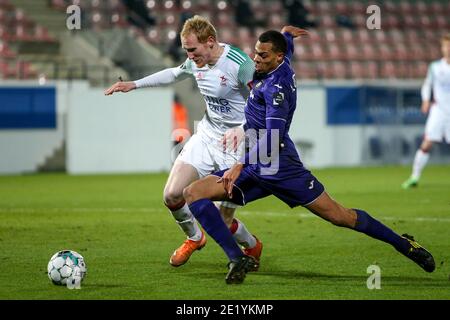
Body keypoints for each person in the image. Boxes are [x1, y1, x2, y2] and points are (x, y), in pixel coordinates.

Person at [183, 30, 436, 284]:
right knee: (193, 193)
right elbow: (287, 52)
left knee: (341, 216)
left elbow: (274, 137)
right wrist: (287, 36)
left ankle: (404, 244)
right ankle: (237, 259)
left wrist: (239, 164)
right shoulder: (278, 65)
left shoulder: (276, 88)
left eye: (262, 55)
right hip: (257, 166)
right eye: (256, 52)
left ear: (277, 57)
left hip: (281, 167)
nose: (256, 59)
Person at [105, 16, 291, 269]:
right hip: (206, 136)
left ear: (210, 42)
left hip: (238, 144)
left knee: (221, 218)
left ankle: (251, 245)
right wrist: (133, 84)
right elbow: (174, 73)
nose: (190, 55)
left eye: (193, 50)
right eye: (186, 51)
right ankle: (194, 237)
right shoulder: (196, 62)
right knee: (171, 195)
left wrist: (241, 129)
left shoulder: (240, 65)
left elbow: (263, 99)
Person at [402, 34, 450, 189]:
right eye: (445, 46)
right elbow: (427, 85)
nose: (448, 49)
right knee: (426, 144)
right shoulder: (435, 67)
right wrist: (426, 100)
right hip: (439, 111)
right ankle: (414, 177)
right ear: (442, 48)